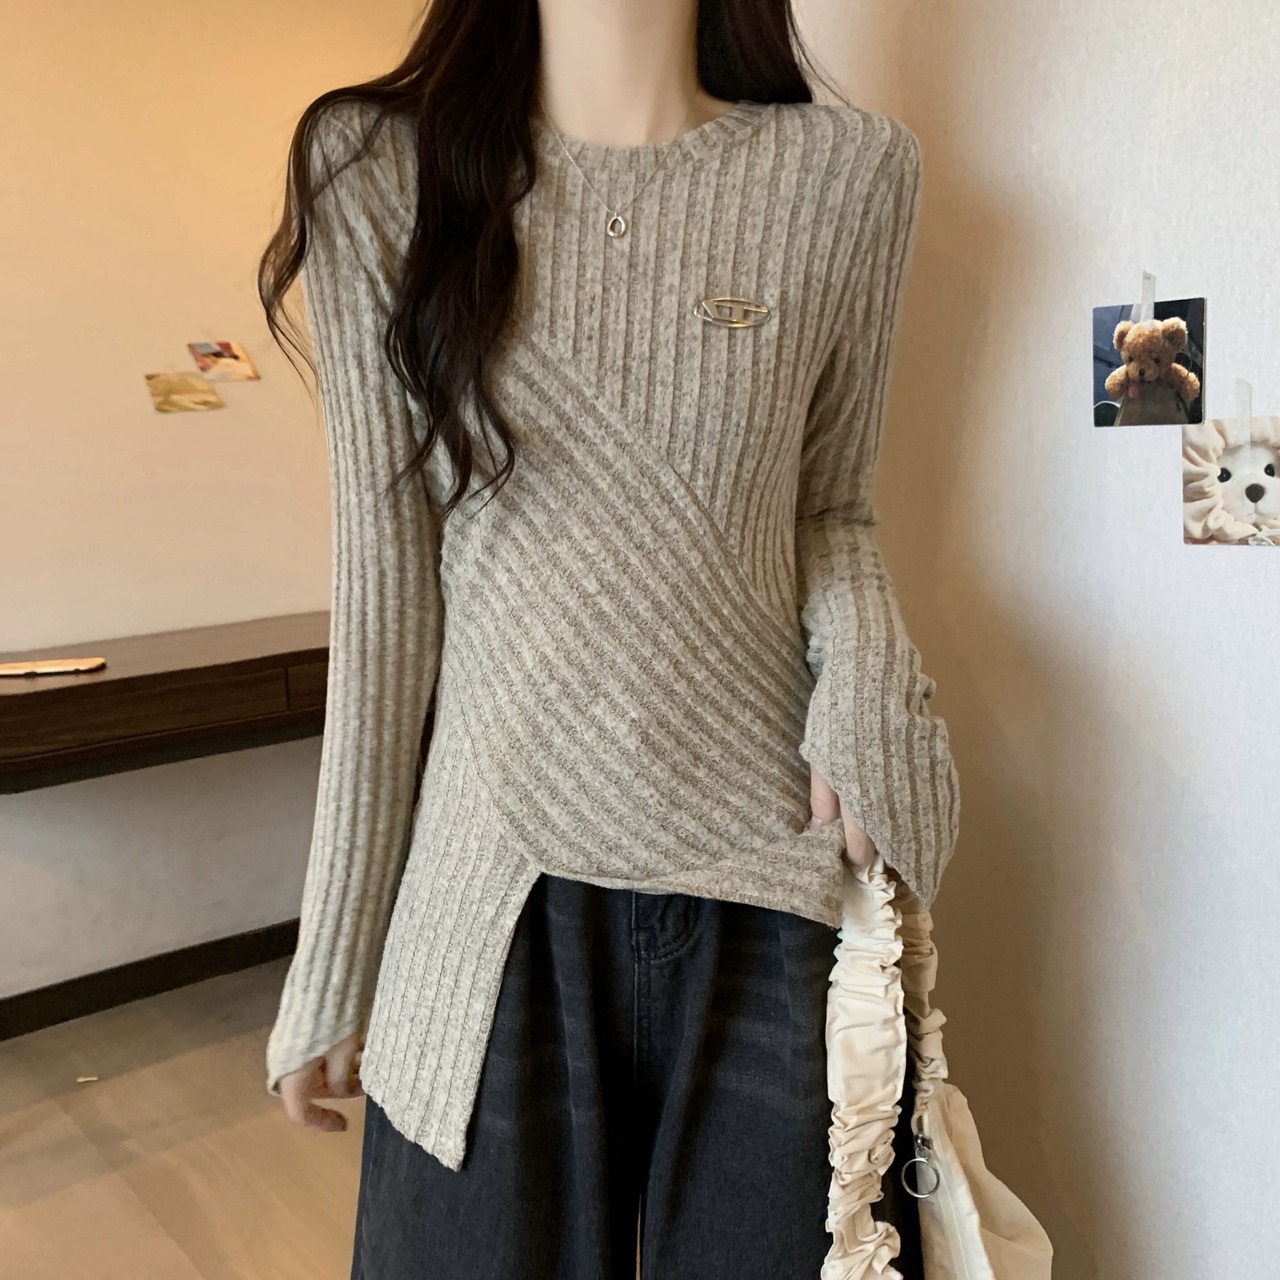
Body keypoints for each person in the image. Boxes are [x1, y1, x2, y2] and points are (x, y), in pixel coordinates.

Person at [256, 1, 960, 1275]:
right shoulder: (375, 166)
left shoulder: (849, 172)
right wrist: (338, 951)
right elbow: (385, 589)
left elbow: (828, 507)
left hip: (769, 873)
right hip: (491, 887)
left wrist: (863, 681)